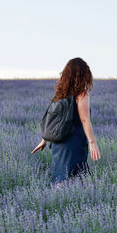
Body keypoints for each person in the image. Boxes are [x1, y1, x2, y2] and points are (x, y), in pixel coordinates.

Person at [31, 57, 101, 189]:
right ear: (84, 74)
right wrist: (93, 143)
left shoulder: (60, 94)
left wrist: (45, 139)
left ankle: (58, 205)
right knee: (75, 180)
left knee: (60, 178)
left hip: (58, 144)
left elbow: (53, 119)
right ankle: (72, 205)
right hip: (73, 144)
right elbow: (85, 120)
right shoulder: (82, 95)